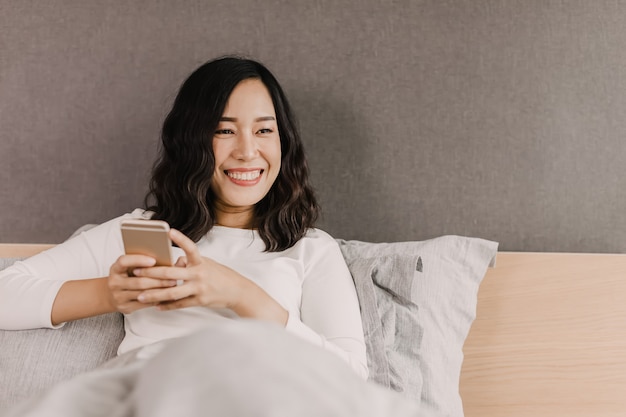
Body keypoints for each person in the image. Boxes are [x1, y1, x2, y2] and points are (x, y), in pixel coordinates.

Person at [0, 56, 368, 379]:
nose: (247, 150)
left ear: (282, 142)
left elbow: (351, 381)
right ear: (192, 142)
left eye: (263, 130)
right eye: (224, 130)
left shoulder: (311, 250)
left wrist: (241, 294)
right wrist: (111, 294)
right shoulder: (144, 232)